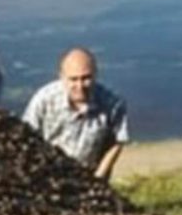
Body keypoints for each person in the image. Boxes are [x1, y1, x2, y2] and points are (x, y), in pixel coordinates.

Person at [22, 48, 129, 180]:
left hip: (91, 176)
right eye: (73, 79)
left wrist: (99, 176)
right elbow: (25, 136)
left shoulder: (112, 103)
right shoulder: (44, 100)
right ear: (61, 77)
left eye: (86, 78)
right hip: (49, 176)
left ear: (95, 74)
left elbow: (118, 140)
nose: (80, 86)